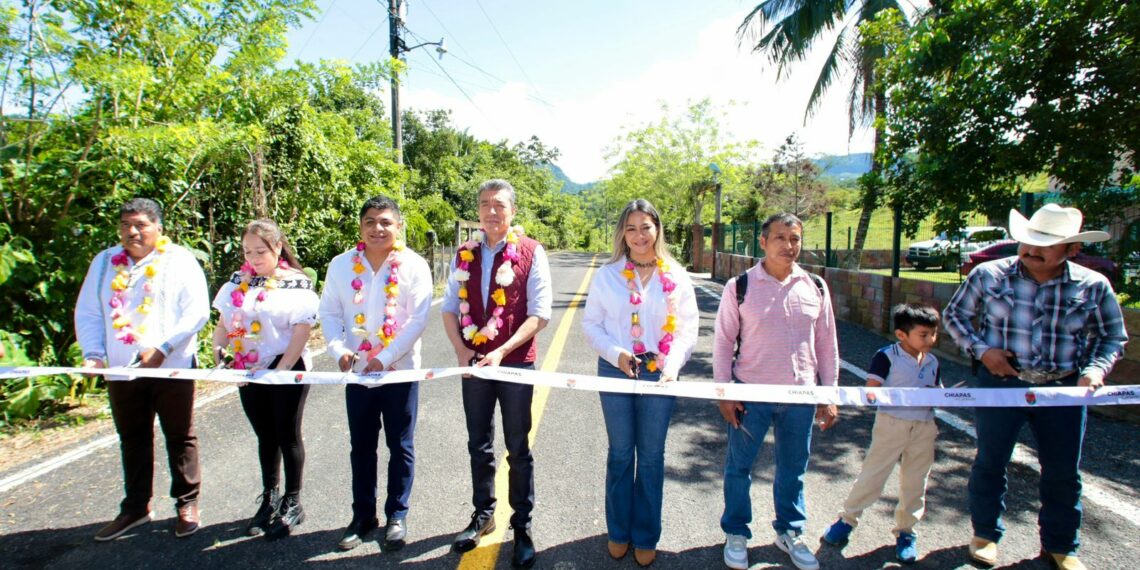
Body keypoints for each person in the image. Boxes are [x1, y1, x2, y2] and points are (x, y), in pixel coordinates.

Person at [943, 204, 1127, 570]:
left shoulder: (1093, 286)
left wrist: (1094, 370)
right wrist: (983, 351)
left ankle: (1061, 546)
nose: (1030, 250)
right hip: (999, 384)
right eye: (1027, 241)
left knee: (1062, 471)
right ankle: (985, 534)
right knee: (990, 461)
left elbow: (1112, 336)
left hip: (1063, 390)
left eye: (1045, 244)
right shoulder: (988, 275)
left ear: (1072, 249)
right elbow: (955, 316)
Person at [74, 197, 209, 541]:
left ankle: (187, 503)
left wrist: (164, 348)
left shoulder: (180, 260)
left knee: (180, 436)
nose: (132, 232)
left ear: (158, 228)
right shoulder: (105, 263)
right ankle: (136, 508)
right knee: (132, 438)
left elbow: (197, 313)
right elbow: (89, 312)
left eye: (140, 225)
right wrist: (93, 354)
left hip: (172, 366)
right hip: (121, 368)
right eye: (125, 225)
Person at [713, 212, 839, 570]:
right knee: (739, 467)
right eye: (781, 238)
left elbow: (827, 345)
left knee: (793, 467)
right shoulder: (740, 286)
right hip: (751, 394)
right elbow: (723, 343)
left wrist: (828, 394)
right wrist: (724, 392)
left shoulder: (815, 286)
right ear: (763, 242)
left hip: (800, 397)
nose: (789, 245)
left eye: (795, 238)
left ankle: (790, 531)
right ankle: (736, 532)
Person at [581, 199, 699, 567]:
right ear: (622, 233)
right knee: (620, 453)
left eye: (645, 227)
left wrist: (672, 366)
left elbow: (686, 329)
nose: (638, 235)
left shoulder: (676, 275)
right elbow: (591, 325)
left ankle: (646, 534)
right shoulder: (608, 275)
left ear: (657, 229)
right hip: (616, 369)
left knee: (650, 457)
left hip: (659, 374)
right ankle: (618, 531)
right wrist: (615, 352)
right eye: (630, 228)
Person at [442, 179, 552, 569]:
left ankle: (522, 525)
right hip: (473, 362)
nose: (492, 211)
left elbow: (540, 313)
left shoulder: (531, 252)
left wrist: (502, 351)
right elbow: (450, 309)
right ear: (478, 210)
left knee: (518, 447)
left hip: (516, 364)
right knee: (478, 444)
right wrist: (461, 351)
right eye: (485, 204)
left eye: (499, 205)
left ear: (512, 211)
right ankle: (483, 514)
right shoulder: (464, 254)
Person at [319, 196, 433, 552]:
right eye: (370, 221)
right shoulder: (340, 266)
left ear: (398, 227)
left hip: (398, 373)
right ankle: (363, 516)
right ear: (360, 227)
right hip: (357, 373)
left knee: (400, 445)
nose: (377, 228)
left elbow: (417, 319)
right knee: (362, 447)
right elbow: (330, 315)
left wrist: (384, 358)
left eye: (385, 222)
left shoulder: (414, 265)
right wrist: (339, 351)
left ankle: (397, 515)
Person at [211, 219, 319, 540]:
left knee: (288, 435)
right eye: (248, 251)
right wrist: (221, 352)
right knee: (265, 436)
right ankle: (269, 497)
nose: (254, 258)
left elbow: (301, 329)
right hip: (249, 368)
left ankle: (293, 501)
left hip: (286, 366)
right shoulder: (237, 282)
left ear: (277, 248)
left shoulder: (296, 283)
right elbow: (225, 325)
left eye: (261, 251)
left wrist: (283, 368)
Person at [822, 304, 943, 564]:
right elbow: (871, 390)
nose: (931, 340)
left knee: (916, 481)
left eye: (934, 333)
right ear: (902, 335)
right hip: (891, 424)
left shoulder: (933, 361)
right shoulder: (887, 356)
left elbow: (938, 391)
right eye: (924, 334)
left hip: (923, 427)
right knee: (873, 475)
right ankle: (847, 520)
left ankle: (906, 532)